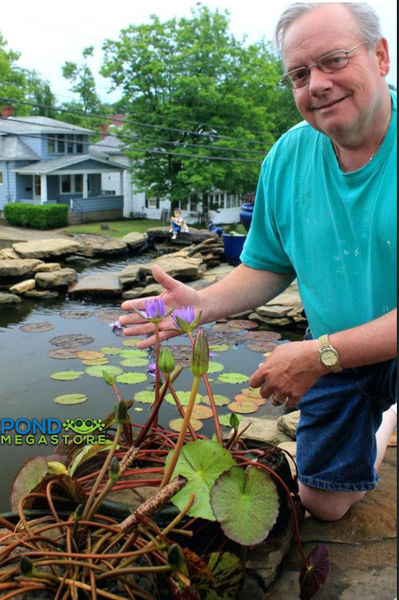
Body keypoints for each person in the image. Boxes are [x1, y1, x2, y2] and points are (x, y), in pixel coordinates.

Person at [119, 2, 397, 522]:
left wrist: (320, 355)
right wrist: (199, 305)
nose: (316, 84)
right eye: (299, 73)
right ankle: (383, 420)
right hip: (344, 350)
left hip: (344, 347)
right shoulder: (287, 158)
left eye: (334, 60)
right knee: (324, 504)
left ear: (380, 56)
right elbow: (268, 265)